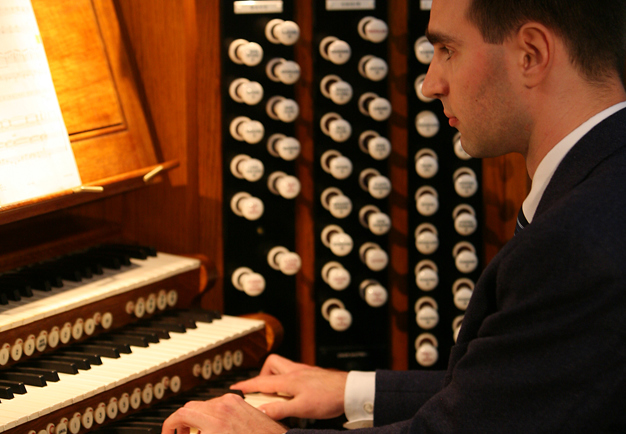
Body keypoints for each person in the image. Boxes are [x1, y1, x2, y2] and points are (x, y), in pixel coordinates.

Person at [162, 0, 626, 432]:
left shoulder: (574, 240)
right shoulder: (603, 179)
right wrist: (354, 391)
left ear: (531, 54)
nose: (429, 83)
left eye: (447, 50)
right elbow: (519, 390)